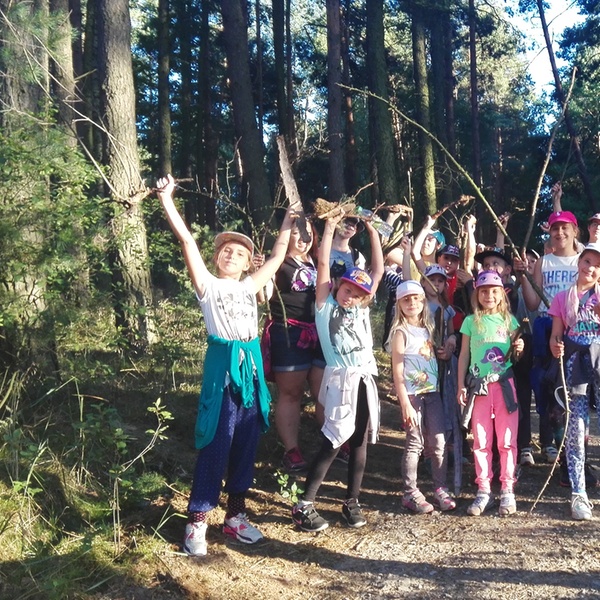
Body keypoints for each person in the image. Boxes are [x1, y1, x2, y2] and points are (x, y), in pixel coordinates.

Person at [156, 174, 297, 556]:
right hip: (222, 370)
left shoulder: (249, 286)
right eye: (225, 251)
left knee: (246, 443)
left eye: (239, 253)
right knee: (216, 442)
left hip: (250, 371)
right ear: (216, 257)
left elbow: (278, 256)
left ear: (248, 262)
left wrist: (289, 217)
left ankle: (235, 516)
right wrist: (167, 198)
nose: (231, 255)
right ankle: (197, 522)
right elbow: (187, 241)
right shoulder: (209, 285)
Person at [291, 210, 384, 532]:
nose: (351, 297)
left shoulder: (360, 309)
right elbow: (321, 263)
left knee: (359, 442)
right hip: (340, 380)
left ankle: (351, 500)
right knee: (333, 439)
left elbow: (378, 270)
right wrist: (329, 226)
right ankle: (304, 504)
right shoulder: (325, 305)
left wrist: (372, 230)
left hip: (364, 379)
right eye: (347, 290)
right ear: (338, 286)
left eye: (358, 295)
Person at [514, 210, 580, 463]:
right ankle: (553, 444)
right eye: (555, 228)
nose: (559, 232)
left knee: (571, 391)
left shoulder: (582, 261)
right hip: (545, 330)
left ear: (575, 231)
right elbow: (532, 303)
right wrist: (523, 275)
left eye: (565, 228)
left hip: (574, 331)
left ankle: (570, 449)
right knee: (548, 387)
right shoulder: (543, 262)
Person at [457, 270, 524, 517]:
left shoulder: (510, 322)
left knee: (507, 440)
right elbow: (464, 355)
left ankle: (507, 489)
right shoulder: (470, 321)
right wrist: (460, 385)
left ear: (502, 294)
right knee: (481, 440)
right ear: (477, 294)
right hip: (479, 388)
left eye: (494, 291)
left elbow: (517, 355)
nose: (489, 295)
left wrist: (520, 347)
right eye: (484, 291)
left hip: (504, 386)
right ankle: (483, 489)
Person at [262, 221, 325, 472]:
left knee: (325, 392)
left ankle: (333, 443)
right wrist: (261, 271)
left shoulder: (318, 261)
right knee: (292, 393)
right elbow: (264, 295)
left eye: (308, 234)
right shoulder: (278, 262)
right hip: (289, 332)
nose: (303, 239)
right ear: (286, 235)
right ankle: (292, 451)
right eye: (297, 233)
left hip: (319, 332)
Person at [391, 280, 456, 513]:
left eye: (416, 298)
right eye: (406, 300)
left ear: (423, 301)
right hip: (412, 395)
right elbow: (397, 371)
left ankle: (440, 488)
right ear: (399, 304)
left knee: (439, 441)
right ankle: (410, 492)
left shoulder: (429, 329)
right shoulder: (400, 333)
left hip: (432, 393)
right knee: (415, 442)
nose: (412, 303)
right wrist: (405, 403)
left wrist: (448, 346)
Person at [549, 243, 600, 520]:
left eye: (597, 265)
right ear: (579, 262)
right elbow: (555, 337)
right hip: (574, 369)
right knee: (576, 431)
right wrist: (556, 346)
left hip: (599, 366)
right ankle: (579, 493)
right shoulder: (562, 298)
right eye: (587, 261)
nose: (590, 268)